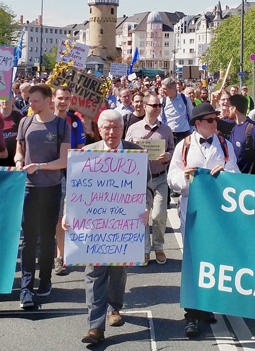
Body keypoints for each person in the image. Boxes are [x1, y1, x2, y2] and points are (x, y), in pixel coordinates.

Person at [67, 110, 150, 345]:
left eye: (115, 127)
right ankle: (95, 326)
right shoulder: (85, 154)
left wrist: (146, 206)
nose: (111, 132)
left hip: (124, 228)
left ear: (122, 129)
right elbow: (74, 192)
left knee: (118, 272)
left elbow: (148, 187)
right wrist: (67, 215)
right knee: (94, 273)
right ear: (98, 129)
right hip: (94, 228)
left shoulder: (136, 154)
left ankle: (114, 307)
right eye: (106, 127)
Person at [167, 103, 239, 338]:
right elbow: (172, 178)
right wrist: (185, 178)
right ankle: (192, 314)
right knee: (194, 263)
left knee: (214, 262)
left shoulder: (226, 146)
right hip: (194, 212)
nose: (214, 123)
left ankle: (207, 305)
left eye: (215, 119)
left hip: (219, 214)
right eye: (209, 120)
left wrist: (225, 174)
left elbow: (236, 175)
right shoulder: (184, 146)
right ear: (197, 124)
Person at [14, 84, 71, 310]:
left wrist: (39, 166)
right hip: (28, 188)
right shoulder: (25, 122)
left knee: (47, 237)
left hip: (51, 187)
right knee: (29, 238)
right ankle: (26, 288)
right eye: (29, 100)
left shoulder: (61, 125)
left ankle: (45, 279)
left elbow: (64, 160)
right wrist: (19, 161)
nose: (31, 104)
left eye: (35, 100)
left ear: (49, 101)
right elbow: (19, 149)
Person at [125, 93, 174, 265]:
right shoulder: (134, 129)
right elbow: (124, 151)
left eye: (159, 105)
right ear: (145, 106)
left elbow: (172, 150)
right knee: (142, 215)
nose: (157, 108)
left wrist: (168, 155)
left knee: (159, 214)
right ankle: (145, 249)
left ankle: (158, 246)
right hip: (140, 179)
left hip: (160, 178)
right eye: (154, 105)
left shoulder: (166, 130)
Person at [52, 86, 85, 276]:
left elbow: (81, 147)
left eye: (66, 99)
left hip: (69, 173)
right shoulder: (48, 120)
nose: (63, 102)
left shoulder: (74, 121)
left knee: (62, 216)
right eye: (60, 98)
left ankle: (60, 257)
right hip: (49, 172)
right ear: (53, 100)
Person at [227, 94, 255, 174]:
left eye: (229, 107)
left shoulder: (254, 128)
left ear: (234, 109)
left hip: (249, 179)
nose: (227, 109)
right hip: (235, 177)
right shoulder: (234, 126)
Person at [160, 78, 194, 142]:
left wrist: (190, 131)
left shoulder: (185, 99)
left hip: (184, 134)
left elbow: (191, 115)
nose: (162, 91)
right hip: (169, 134)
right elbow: (161, 118)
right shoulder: (163, 101)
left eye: (164, 89)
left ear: (172, 89)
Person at [0, 98, 23, 166]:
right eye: (2, 98)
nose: (5, 100)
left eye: (8, 98)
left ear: (13, 99)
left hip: (16, 161)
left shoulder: (19, 117)